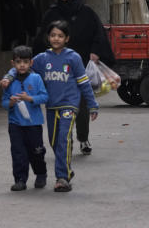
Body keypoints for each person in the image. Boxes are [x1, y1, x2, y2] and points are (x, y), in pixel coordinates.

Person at [19, 20, 99, 192]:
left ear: (67, 38)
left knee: (63, 138)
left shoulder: (73, 58)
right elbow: (23, 69)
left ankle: (62, 177)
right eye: (53, 35)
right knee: (54, 141)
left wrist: (93, 105)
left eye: (60, 36)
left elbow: (84, 84)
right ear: (48, 37)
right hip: (51, 106)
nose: (56, 39)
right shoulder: (41, 59)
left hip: (69, 105)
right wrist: (9, 79)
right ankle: (67, 170)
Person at [37, 0, 113, 156]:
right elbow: (41, 37)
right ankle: (65, 139)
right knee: (59, 106)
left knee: (82, 104)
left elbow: (99, 34)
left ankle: (83, 137)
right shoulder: (52, 13)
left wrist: (95, 52)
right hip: (57, 67)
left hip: (81, 65)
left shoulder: (86, 12)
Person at [2, 45, 49, 192]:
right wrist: (10, 102)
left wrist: (29, 98)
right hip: (15, 123)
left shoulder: (36, 78)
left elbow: (44, 96)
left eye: (25, 62)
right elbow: (4, 101)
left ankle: (41, 173)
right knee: (18, 152)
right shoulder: (9, 81)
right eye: (18, 62)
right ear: (13, 64)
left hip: (33, 123)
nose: (22, 65)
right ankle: (20, 179)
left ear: (31, 63)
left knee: (36, 151)